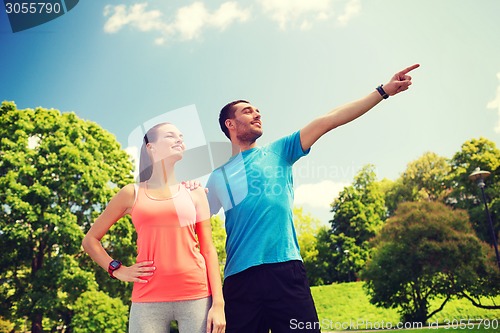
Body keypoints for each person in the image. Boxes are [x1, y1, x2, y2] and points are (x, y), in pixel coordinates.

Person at [206, 64, 420, 333]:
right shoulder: (217, 177)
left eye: (258, 110)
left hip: (285, 270)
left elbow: (329, 120)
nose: (257, 114)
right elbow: (196, 230)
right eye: (247, 111)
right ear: (230, 124)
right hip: (240, 280)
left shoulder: (280, 151)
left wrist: (382, 91)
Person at [82, 122, 226, 333]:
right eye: (170, 136)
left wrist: (219, 304)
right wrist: (117, 270)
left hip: (197, 295)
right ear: (151, 147)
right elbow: (90, 240)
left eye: (181, 136)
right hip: (147, 298)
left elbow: (208, 249)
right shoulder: (131, 193)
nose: (179, 139)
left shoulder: (194, 193)